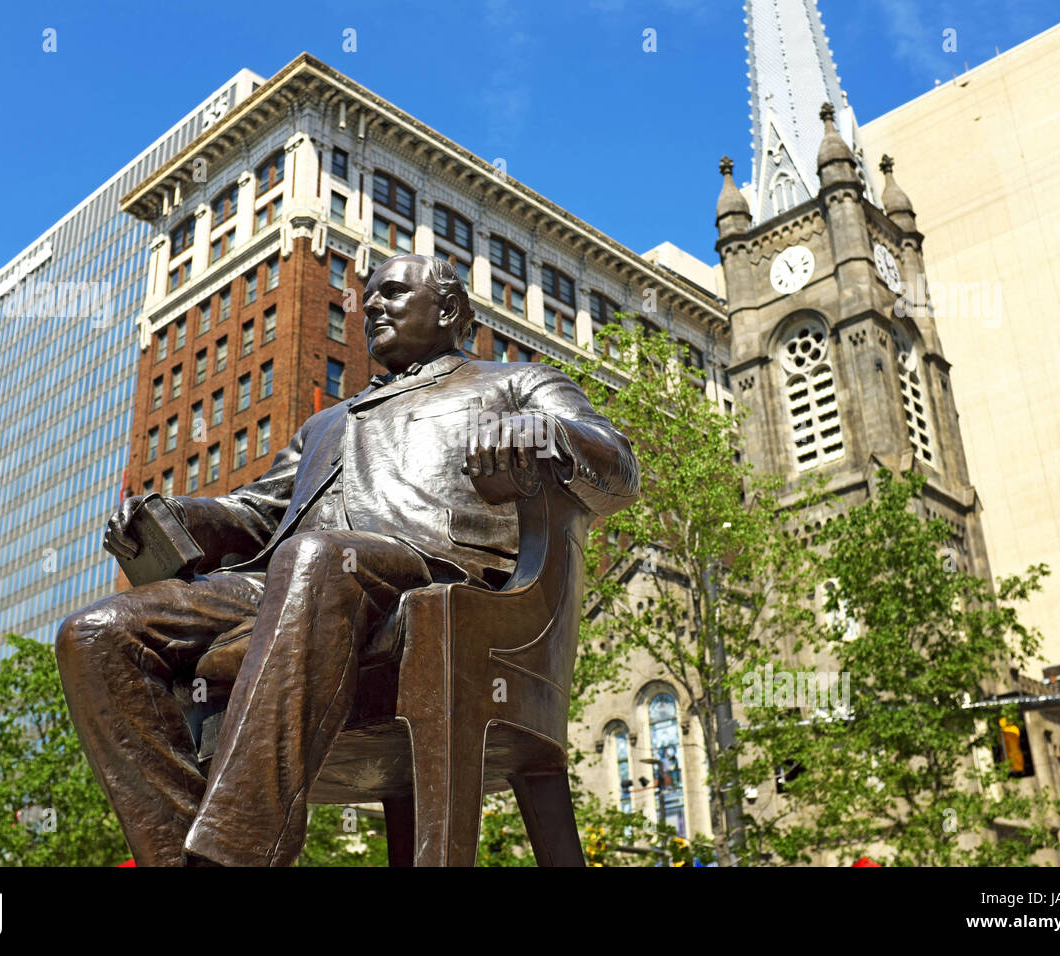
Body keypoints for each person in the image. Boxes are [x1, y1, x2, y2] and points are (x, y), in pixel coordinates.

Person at [56, 253, 639, 866]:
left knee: (318, 557)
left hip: (437, 574)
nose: (371, 307)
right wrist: (172, 517)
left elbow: (619, 467)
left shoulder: (511, 384)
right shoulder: (326, 424)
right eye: (367, 298)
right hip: (294, 581)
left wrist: (544, 434)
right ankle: (177, 859)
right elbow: (259, 513)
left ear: (447, 310)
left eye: (391, 293)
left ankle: (237, 853)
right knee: (97, 633)